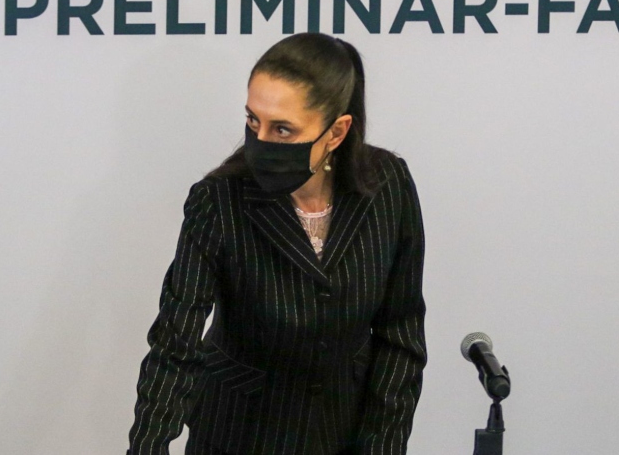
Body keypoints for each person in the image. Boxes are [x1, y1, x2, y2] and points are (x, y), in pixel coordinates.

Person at [127, 33, 427, 455]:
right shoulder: (218, 200)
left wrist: (382, 447)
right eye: (253, 121)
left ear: (336, 132)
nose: (261, 142)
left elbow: (400, 334)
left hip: (341, 435)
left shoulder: (387, 183)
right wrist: (148, 448)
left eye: (283, 129)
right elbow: (175, 346)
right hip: (237, 436)